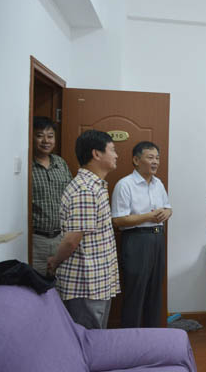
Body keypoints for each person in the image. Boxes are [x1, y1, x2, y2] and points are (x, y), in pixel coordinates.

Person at [47, 130, 120, 329]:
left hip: (96, 280)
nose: (116, 155)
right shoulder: (85, 190)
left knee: (95, 337)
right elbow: (72, 240)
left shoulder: (94, 186)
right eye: (112, 150)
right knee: (88, 339)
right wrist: (55, 262)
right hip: (86, 283)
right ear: (96, 154)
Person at [111, 141, 172, 328]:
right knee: (135, 292)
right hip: (136, 240)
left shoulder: (158, 183)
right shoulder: (125, 185)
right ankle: (131, 337)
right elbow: (118, 220)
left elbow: (168, 208)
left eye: (157, 158)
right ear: (136, 160)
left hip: (157, 239)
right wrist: (148, 216)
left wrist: (167, 213)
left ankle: (152, 335)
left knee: (155, 291)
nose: (155, 162)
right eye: (150, 157)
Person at [31, 117, 72, 276]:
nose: (46, 141)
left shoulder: (61, 163)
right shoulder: (26, 165)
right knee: (35, 283)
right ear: (31, 137)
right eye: (40, 135)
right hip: (35, 239)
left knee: (61, 284)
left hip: (61, 238)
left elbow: (71, 197)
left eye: (50, 136)